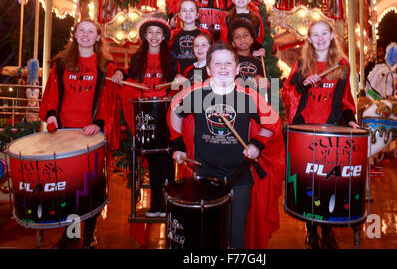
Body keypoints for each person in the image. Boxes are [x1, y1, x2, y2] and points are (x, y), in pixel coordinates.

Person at [169, 42, 285, 249]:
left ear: (237, 68)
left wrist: (257, 144)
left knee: (236, 237)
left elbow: (273, 123)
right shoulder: (197, 93)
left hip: (239, 176)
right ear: (208, 69)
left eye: (228, 63)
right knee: (206, 236)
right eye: (218, 64)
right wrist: (177, 144)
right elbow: (175, 112)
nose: (223, 68)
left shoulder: (248, 96)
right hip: (204, 174)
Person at [282, 20, 360, 249]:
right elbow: (288, 93)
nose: (320, 38)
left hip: (331, 132)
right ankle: (311, 231)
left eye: (324, 33)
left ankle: (327, 230)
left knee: (328, 184)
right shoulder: (303, 64)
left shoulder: (342, 65)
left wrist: (351, 120)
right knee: (309, 183)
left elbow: (345, 100)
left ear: (331, 35)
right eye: (314, 35)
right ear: (309, 39)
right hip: (305, 131)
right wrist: (303, 84)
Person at [38, 19, 116, 249]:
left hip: (90, 135)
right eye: (81, 30)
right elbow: (51, 93)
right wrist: (51, 115)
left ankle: (89, 237)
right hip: (65, 134)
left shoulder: (105, 65)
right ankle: (72, 235)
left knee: (91, 188)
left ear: (98, 37)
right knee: (69, 189)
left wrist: (99, 124)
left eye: (90, 31)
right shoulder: (62, 63)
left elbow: (108, 100)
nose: (85, 34)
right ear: (75, 35)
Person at [111, 16, 177, 218]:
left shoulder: (171, 59)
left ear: (164, 36)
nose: (154, 36)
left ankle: (168, 203)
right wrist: (121, 73)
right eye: (151, 33)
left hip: (165, 113)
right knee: (154, 161)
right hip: (146, 116)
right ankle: (157, 203)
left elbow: (174, 84)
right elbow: (130, 77)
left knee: (166, 160)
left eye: (159, 33)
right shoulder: (138, 59)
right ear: (145, 36)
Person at [169, 0, 213, 75]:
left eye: (191, 10)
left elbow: (212, 54)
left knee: (197, 87)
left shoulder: (204, 33)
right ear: (179, 15)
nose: (188, 13)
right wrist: (176, 74)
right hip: (179, 75)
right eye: (184, 10)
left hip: (199, 74)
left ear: (197, 15)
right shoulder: (173, 34)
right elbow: (169, 56)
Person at [228, 18, 268, 91]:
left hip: (255, 99)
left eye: (245, 35)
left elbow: (263, 86)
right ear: (233, 43)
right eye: (237, 37)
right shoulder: (230, 61)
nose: (242, 39)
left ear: (252, 39)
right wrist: (250, 82)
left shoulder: (259, 61)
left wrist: (264, 83)